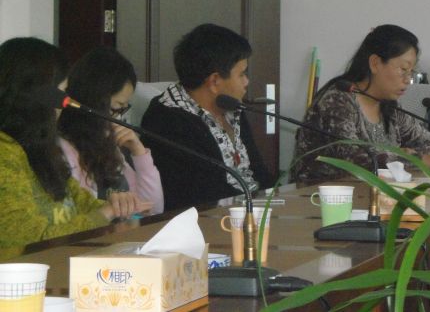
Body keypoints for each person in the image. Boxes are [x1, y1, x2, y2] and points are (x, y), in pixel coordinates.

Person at [0, 38, 145, 260]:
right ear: (38, 97)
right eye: (62, 93)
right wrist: (105, 213)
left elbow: (83, 204)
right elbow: (30, 242)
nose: (65, 103)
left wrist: (117, 205)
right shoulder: (5, 154)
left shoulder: (42, 149)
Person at [141, 24, 272, 211]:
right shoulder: (167, 120)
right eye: (242, 74)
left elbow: (259, 173)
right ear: (214, 81)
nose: (247, 81)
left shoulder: (230, 105)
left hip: (253, 211)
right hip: (211, 218)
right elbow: (202, 194)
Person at [292, 24, 430, 183]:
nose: (408, 79)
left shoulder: (390, 107)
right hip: (317, 195)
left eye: (411, 72)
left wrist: (401, 156)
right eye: (403, 69)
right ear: (375, 63)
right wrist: (416, 159)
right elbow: (359, 161)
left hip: (373, 194)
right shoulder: (336, 102)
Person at [58, 47, 164, 214]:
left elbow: (152, 210)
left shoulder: (109, 145)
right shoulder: (62, 148)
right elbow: (79, 218)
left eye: (123, 109)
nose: (119, 118)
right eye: (116, 108)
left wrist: (139, 152)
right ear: (94, 101)